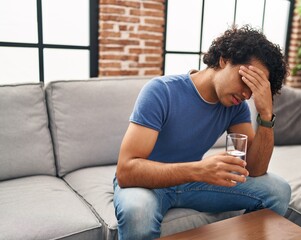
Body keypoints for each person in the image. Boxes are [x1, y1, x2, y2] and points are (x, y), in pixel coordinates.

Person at [113, 24, 291, 240]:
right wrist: (198, 170)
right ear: (225, 59)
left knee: (279, 190)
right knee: (137, 212)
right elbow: (126, 171)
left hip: (191, 183)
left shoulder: (236, 107)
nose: (246, 94)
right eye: (245, 80)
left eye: (254, 89)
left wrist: (265, 114)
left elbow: (254, 170)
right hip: (146, 183)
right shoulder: (161, 91)